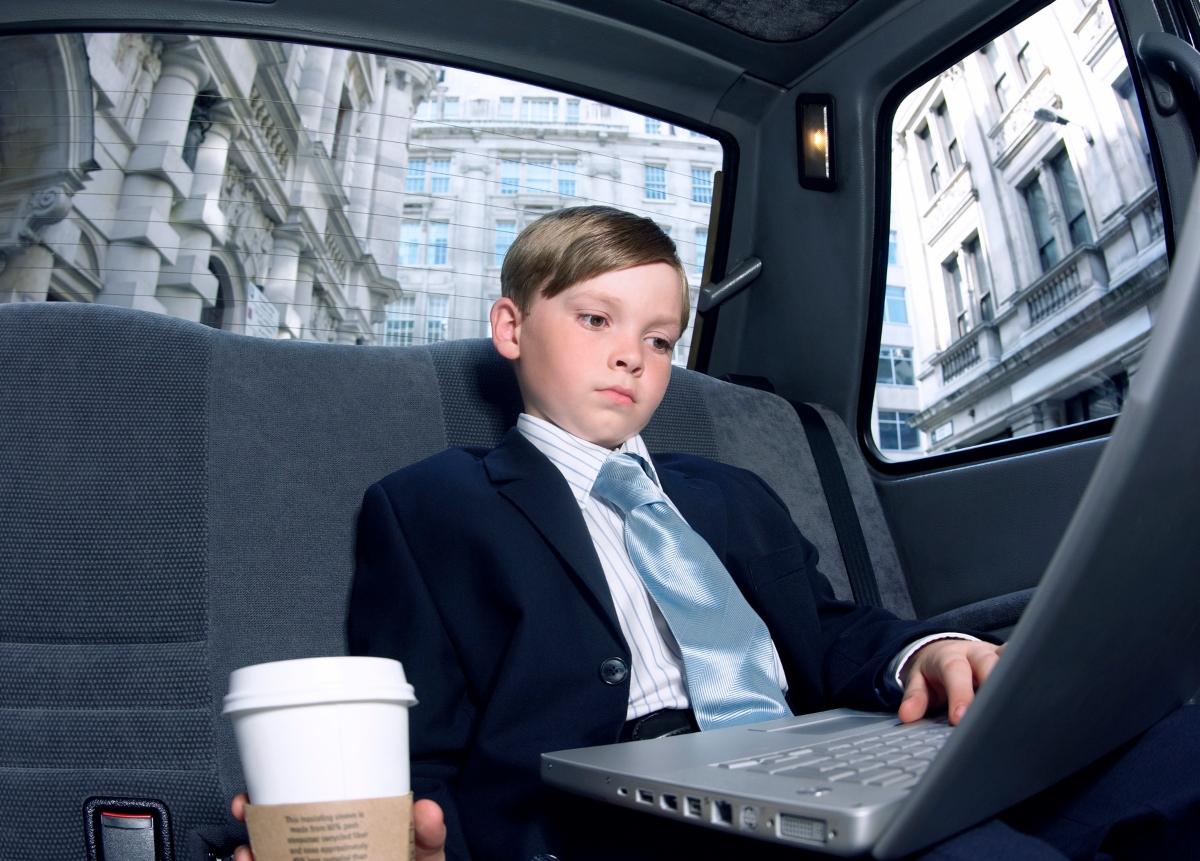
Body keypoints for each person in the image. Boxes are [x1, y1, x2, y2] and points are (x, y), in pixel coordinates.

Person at [233, 205, 1005, 860]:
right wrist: (423, 837)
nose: (631, 355)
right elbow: (417, 727)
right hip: (596, 814)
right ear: (511, 327)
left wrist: (923, 651)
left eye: (661, 339)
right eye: (596, 318)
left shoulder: (730, 492)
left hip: (796, 776)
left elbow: (829, 629)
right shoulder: (431, 502)